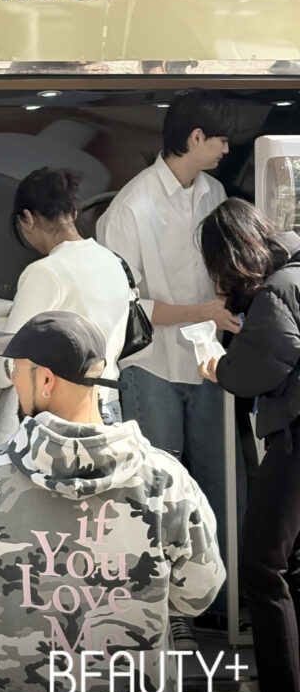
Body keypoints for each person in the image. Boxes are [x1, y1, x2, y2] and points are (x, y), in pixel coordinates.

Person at [0, 311, 225, 692]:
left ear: (45, 380)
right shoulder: (163, 478)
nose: (12, 378)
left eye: (15, 367)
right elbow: (199, 594)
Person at [96, 89, 241, 642]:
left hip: (210, 360)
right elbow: (125, 305)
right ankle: (164, 613)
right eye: (220, 139)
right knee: (157, 490)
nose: (227, 149)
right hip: (151, 364)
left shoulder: (215, 193)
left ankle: (225, 607)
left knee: (222, 485)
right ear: (195, 137)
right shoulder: (130, 206)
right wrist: (204, 311)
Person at [198, 198, 300, 692]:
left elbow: (265, 364)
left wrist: (220, 368)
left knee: (261, 566)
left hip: (295, 440)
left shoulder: (275, 291)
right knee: (290, 567)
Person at [0, 166, 130, 433]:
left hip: (59, 418)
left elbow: (5, 368)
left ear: (27, 219)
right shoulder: (113, 262)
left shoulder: (46, 272)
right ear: (73, 213)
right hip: (107, 407)